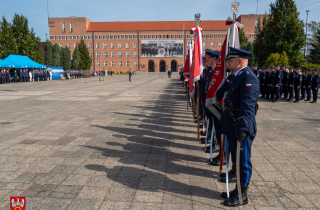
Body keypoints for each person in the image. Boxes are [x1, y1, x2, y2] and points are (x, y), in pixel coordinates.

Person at [220, 47, 259, 207]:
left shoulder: (248, 77)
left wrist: (241, 128)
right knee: (237, 158)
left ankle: (243, 195)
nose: (228, 63)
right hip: (234, 124)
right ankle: (237, 190)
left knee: (243, 161)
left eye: (231, 60)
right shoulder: (238, 76)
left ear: (240, 61)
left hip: (241, 126)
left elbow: (248, 106)